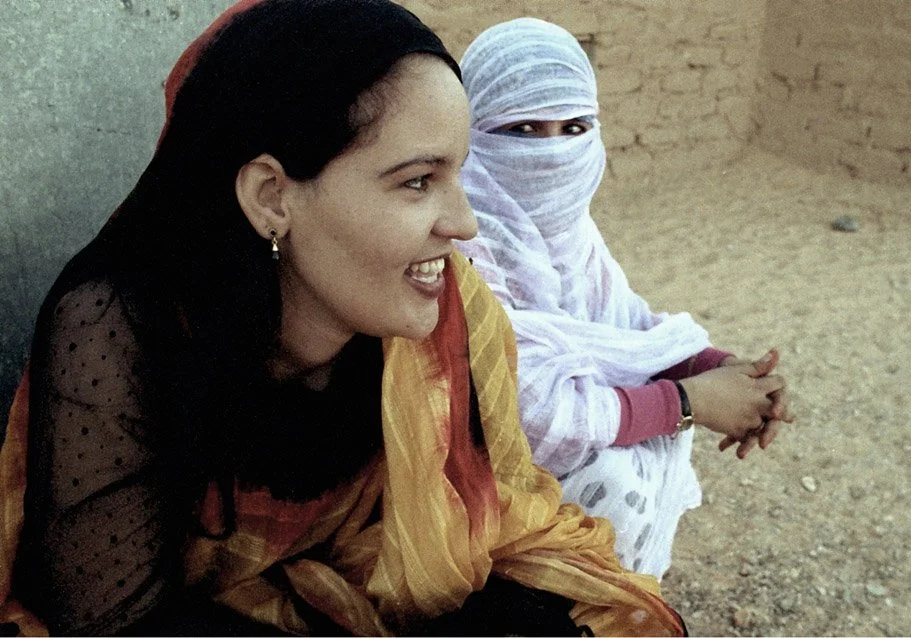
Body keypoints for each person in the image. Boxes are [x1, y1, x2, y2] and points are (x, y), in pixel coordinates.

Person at [0, 2, 689, 635]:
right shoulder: (123, 330)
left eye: (460, 172)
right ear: (272, 196)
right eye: (418, 181)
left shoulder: (451, 311)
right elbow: (116, 622)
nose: (465, 222)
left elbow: (510, 517)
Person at [456, 17, 793, 578]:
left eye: (575, 127)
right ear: (469, 131)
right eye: (522, 130)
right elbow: (531, 416)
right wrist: (688, 402)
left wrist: (728, 373)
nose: (553, 153)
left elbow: (625, 325)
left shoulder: (572, 234)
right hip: (472, 495)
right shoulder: (458, 242)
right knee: (616, 476)